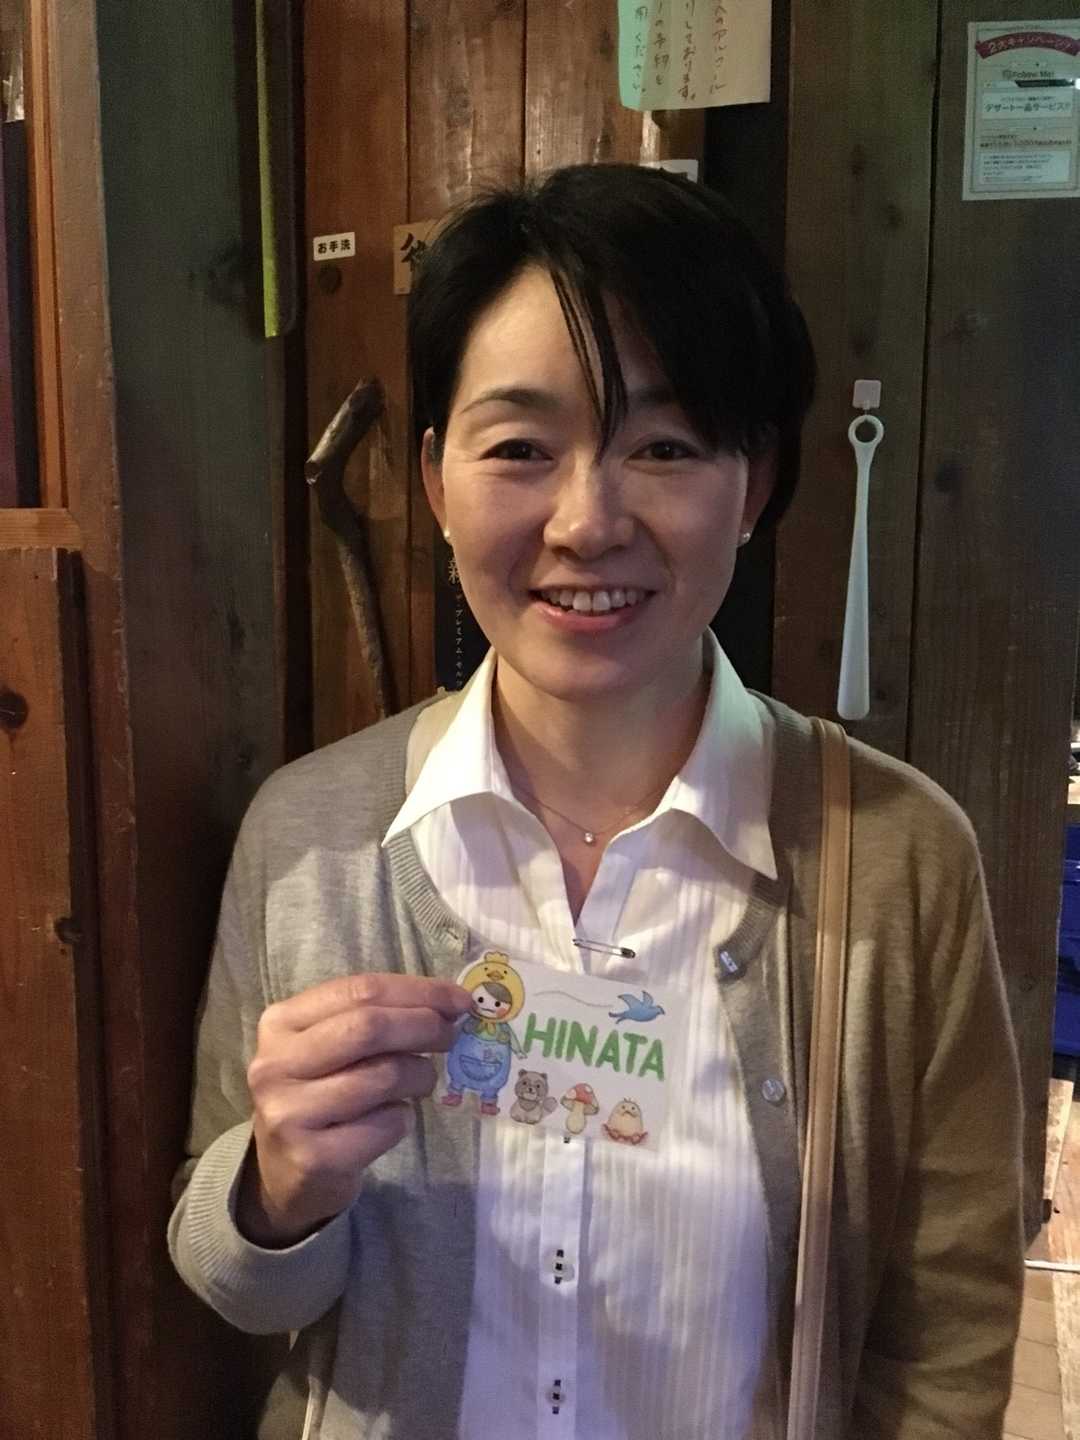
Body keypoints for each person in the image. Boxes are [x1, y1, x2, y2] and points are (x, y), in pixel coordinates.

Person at [168, 163, 1024, 1440]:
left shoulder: (901, 863)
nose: (589, 521)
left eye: (664, 448)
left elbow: (947, 1332)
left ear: (755, 483)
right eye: (520, 448)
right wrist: (277, 1190)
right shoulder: (311, 838)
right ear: (436, 480)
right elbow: (235, 1286)